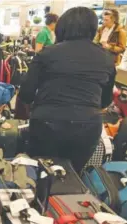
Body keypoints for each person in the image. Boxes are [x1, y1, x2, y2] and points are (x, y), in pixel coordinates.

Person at [18, 7, 116, 172]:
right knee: (72, 176)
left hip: (47, 123)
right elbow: (105, 101)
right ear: (93, 28)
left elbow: (26, 93)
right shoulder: (106, 58)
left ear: (62, 27)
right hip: (88, 126)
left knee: (42, 175)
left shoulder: (47, 54)